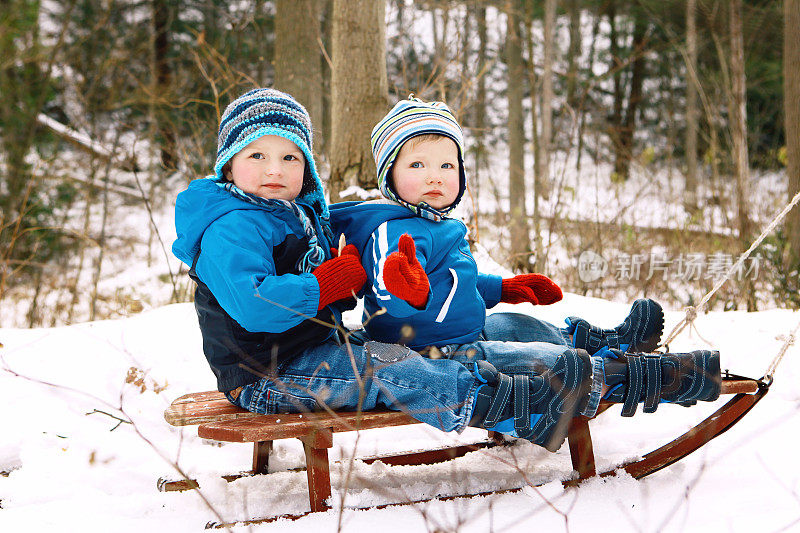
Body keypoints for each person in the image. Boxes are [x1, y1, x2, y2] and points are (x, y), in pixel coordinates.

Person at [171, 88, 596, 451]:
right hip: (264, 375)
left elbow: (339, 281)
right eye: (257, 154)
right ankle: (508, 411)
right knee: (388, 368)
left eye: (290, 156)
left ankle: (522, 384)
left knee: (397, 351)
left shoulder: (297, 215)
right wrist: (326, 283)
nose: (275, 168)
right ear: (228, 162)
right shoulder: (229, 226)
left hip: (309, 349)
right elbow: (256, 304)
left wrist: (345, 280)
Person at [329, 96, 722, 450]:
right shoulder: (392, 232)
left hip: (467, 330)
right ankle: (645, 377)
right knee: (538, 357)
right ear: (390, 177)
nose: (435, 176)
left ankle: (609, 340)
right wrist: (407, 290)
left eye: (446, 164)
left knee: (518, 324)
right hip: (434, 353)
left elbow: (456, 286)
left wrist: (505, 287)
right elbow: (390, 294)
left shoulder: (440, 224)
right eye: (418, 165)